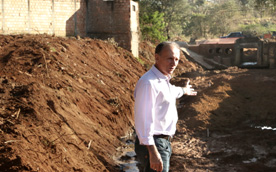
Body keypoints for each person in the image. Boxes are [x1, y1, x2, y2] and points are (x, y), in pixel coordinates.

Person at [134, 41, 197, 172]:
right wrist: (153, 152)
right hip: (154, 144)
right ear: (157, 57)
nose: (173, 63)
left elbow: (173, 92)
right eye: (169, 59)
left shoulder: (163, 81)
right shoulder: (149, 83)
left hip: (161, 143)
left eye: (176, 59)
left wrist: (184, 90)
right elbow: (143, 120)